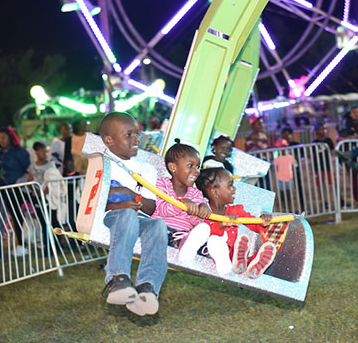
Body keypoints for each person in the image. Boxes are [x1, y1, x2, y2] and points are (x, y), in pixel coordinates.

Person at [99, 112, 168, 316]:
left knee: (158, 225)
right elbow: (94, 202)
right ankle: (117, 280)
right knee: (127, 215)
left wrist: (130, 195)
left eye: (137, 134)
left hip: (138, 219)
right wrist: (117, 203)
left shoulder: (146, 169)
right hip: (109, 218)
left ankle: (147, 288)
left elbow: (151, 207)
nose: (136, 139)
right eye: (128, 135)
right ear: (109, 140)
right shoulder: (100, 164)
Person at [179, 168, 274, 278]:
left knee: (233, 254)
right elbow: (198, 227)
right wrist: (221, 224)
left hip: (226, 255)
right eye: (230, 185)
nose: (234, 189)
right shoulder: (203, 209)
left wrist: (263, 222)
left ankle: (251, 263)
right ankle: (241, 264)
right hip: (203, 250)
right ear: (215, 192)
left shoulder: (236, 211)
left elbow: (254, 224)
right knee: (212, 238)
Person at [151, 140, 211, 247]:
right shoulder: (162, 184)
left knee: (204, 234)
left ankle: (195, 247)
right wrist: (182, 203)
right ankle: (183, 245)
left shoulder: (196, 194)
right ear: (173, 167)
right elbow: (162, 210)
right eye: (190, 166)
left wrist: (201, 211)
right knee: (166, 234)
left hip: (182, 234)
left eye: (198, 166)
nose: (196, 171)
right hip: (161, 229)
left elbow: (195, 222)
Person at [0, 126, 32, 257]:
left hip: (18, 189)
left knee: (18, 217)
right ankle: (15, 243)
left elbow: (28, 169)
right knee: (8, 217)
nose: (1, 140)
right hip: (3, 189)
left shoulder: (19, 152)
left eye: (4, 137)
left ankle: (22, 244)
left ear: (10, 138)